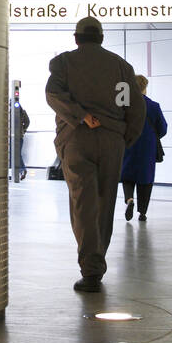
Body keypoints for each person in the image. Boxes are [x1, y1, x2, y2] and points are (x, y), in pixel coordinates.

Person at [45, 16, 146, 292]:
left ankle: (90, 269)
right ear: (101, 38)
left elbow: (52, 94)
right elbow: (137, 109)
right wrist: (124, 138)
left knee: (83, 202)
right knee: (105, 202)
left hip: (76, 137)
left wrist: (81, 116)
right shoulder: (122, 67)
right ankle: (96, 265)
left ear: (76, 38)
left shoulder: (63, 63)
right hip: (112, 140)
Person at [122, 74, 167, 222]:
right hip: (147, 148)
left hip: (128, 145)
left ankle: (129, 199)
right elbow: (163, 128)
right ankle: (142, 213)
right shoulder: (154, 106)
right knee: (146, 179)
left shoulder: (124, 105)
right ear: (144, 87)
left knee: (127, 176)